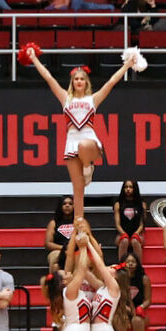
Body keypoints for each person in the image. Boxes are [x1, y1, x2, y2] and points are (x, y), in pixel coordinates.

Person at [29, 53, 138, 219]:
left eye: (82, 79)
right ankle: (78, 224)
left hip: (89, 141)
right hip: (71, 141)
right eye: (76, 79)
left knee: (83, 146)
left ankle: (88, 166)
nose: (79, 81)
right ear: (72, 82)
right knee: (77, 189)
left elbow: (111, 83)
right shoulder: (65, 98)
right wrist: (34, 59)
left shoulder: (92, 99)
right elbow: (49, 78)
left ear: (86, 82)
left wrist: (127, 66)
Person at [112, 180, 145, 262]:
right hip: (121, 233)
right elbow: (117, 224)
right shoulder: (118, 203)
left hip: (138, 233)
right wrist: (123, 233)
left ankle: (138, 267)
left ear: (135, 189)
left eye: (130, 187)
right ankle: (121, 267)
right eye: (126, 187)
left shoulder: (141, 203)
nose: (128, 189)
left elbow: (142, 224)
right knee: (124, 241)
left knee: (135, 241)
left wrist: (136, 233)